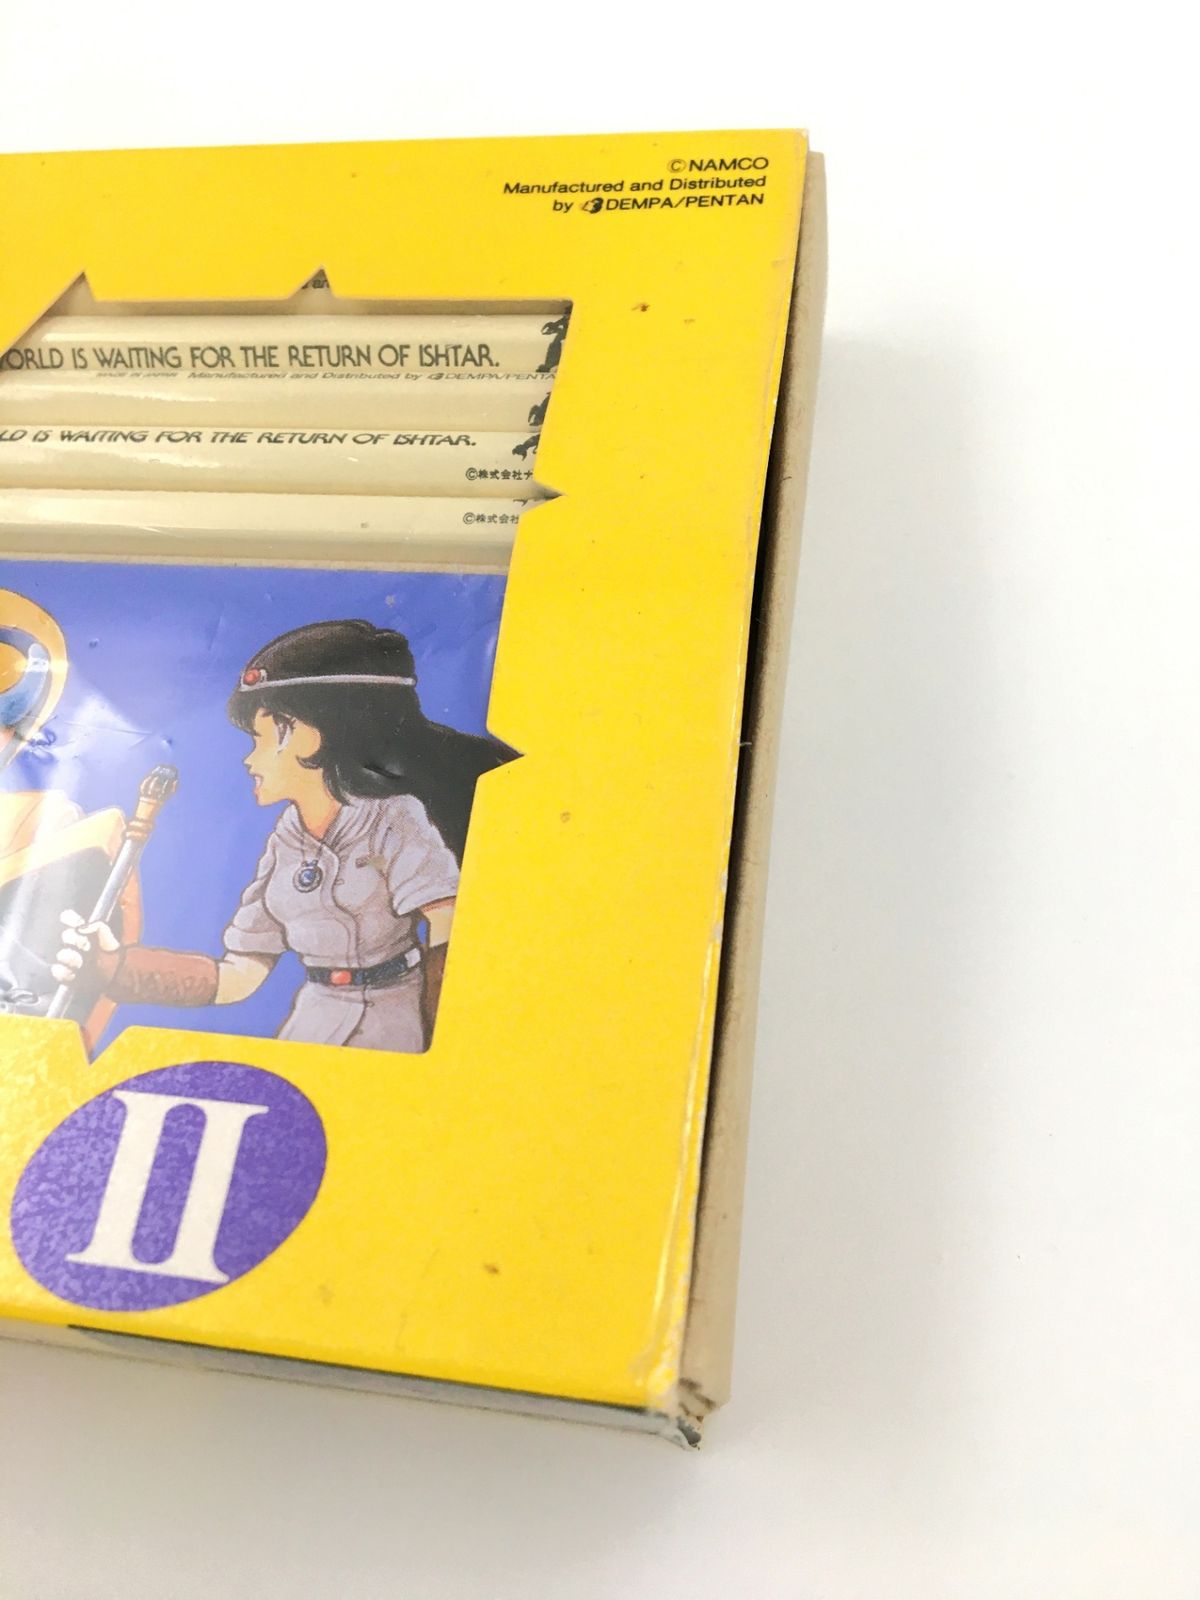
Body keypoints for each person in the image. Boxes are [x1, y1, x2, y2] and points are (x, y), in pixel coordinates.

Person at [52, 618, 515, 1052]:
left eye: (261, 737)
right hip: (313, 1020)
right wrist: (115, 968)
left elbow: (448, 925)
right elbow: (240, 976)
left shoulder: (395, 819)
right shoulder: (285, 840)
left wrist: (448, 1041)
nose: (248, 759)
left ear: (311, 734)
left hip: (401, 1021)